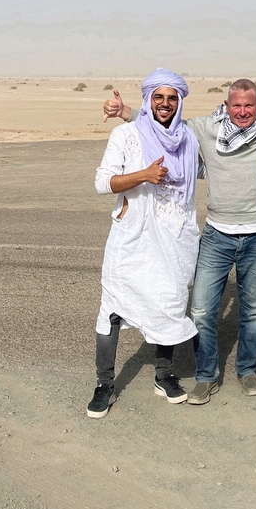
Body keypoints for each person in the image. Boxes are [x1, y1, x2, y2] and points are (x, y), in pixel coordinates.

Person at [103, 79, 256, 404]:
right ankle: (205, 376)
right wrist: (125, 112)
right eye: (236, 105)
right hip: (217, 234)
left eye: (249, 105)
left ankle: (246, 370)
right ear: (227, 106)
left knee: (255, 311)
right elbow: (165, 125)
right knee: (201, 309)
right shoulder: (206, 128)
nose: (242, 111)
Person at [87, 69, 200, 418]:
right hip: (132, 239)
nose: (165, 104)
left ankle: (164, 375)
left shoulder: (189, 140)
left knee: (169, 304)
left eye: (171, 98)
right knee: (113, 309)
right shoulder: (126, 135)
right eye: (158, 97)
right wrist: (144, 175)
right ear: (149, 101)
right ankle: (105, 383)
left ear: (179, 102)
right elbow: (103, 183)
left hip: (174, 238)